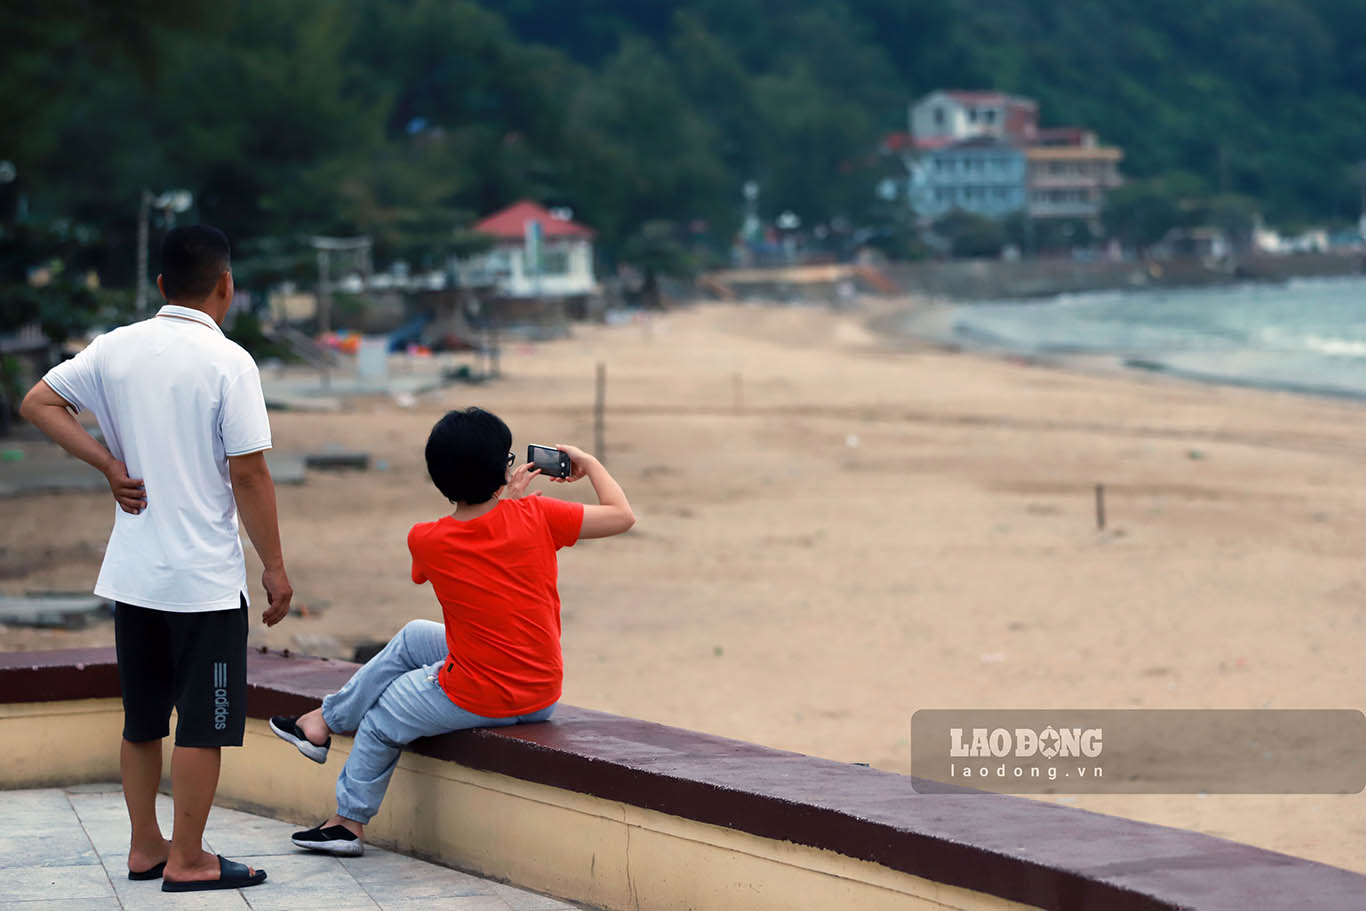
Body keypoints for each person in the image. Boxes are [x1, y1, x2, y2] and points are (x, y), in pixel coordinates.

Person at [20, 225, 292, 893]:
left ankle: (147, 845)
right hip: (202, 581)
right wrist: (276, 568)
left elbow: (38, 401)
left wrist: (107, 464)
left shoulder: (118, 347)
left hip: (134, 574)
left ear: (164, 284)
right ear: (225, 285)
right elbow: (250, 475)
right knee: (206, 721)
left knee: (142, 716)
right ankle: (190, 857)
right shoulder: (229, 361)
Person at [269, 407, 633, 856]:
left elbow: (474, 540)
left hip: (484, 692)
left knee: (382, 717)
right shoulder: (536, 515)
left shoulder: (427, 539)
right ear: (503, 470)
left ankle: (347, 823)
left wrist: (505, 503)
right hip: (540, 688)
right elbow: (621, 515)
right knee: (413, 636)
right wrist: (588, 463)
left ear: (439, 478)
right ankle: (323, 722)